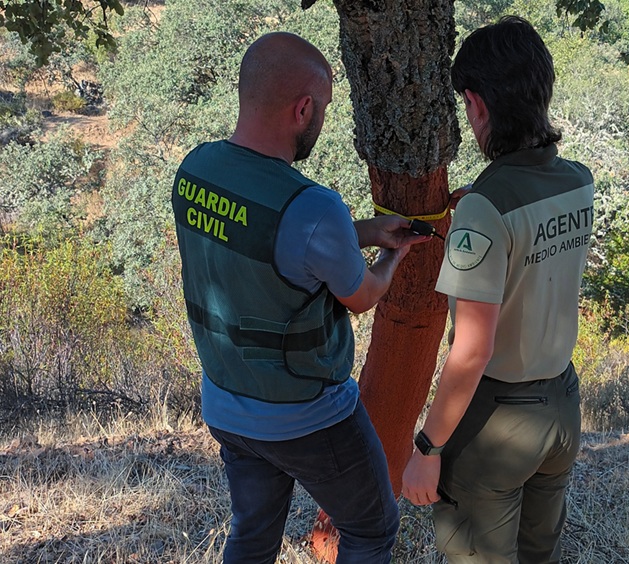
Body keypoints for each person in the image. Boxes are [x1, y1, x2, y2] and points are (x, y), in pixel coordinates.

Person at [172, 32, 426, 564]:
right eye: (324, 108)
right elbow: (362, 296)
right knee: (373, 530)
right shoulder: (313, 206)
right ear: (303, 108)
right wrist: (392, 256)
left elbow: (265, 240)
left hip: (226, 403)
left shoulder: (194, 171)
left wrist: (365, 231)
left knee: (252, 536)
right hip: (307, 417)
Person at [401, 16, 595, 564]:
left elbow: (472, 349)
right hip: (561, 407)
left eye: (467, 105)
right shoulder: (579, 181)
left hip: (498, 423)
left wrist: (427, 448)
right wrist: (478, 212)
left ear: (479, 104)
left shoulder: (483, 210)